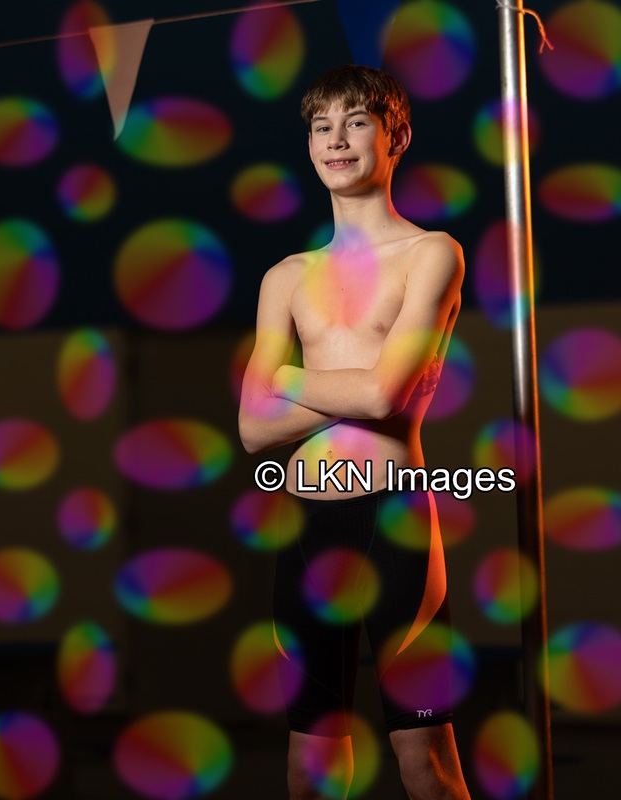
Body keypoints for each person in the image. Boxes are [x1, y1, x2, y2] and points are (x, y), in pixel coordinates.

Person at [238, 64, 471, 800]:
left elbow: (383, 396)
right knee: (308, 767)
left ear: (396, 137)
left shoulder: (432, 253)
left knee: (424, 761)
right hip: (305, 525)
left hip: (392, 519)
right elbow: (252, 430)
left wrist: (286, 379)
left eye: (357, 122)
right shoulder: (286, 277)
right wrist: (364, 386)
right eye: (321, 126)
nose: (336, 140)